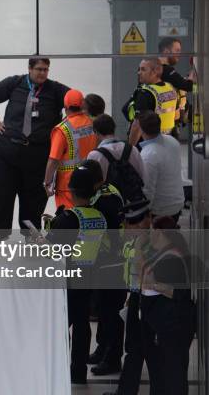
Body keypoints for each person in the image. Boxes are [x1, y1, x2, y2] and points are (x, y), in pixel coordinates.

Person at [0, 58, 70, 234]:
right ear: (29, 69)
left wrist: (63, 127)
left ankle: (30, 237)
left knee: (33, 201)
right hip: (8, 152)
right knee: (2, 197)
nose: (42, 73)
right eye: (39, 69)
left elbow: (77, 104)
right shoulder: (14, 83)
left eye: (46, 69)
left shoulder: (54, 89)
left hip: (37, 155)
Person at [46, 165, 108, 384]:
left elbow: (49, 250)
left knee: (62, 326)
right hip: (88, 278)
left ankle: (60, 369)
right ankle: (79, 372)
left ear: (71, 191)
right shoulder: (100, 217)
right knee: (82, 326)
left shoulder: (69, 219)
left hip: (67, 281)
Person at [139, 215, 195, 395]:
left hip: (173, 326)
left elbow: (178, 292)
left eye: (152, 231)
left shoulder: (172, 258)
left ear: (161, 233)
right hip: (170, 325)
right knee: (168, 371)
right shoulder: (167, 253)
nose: (150, 235)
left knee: (172, 374)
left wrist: (153, 285)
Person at [81, 160, 127, 376]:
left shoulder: (103, 202)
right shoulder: (108, 191)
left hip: (112, 263)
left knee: (111, 313)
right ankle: (102, 349)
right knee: (103, 309)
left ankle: (113, 358)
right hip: (107, 261)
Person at [102, 199, 152, 395]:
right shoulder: (135, 240)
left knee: (148, 352)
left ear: (144, 222)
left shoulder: (149, 242)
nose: (125, 228)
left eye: (130, 224)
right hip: (136, 298)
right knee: (133, 350)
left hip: (149, 302)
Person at [44, 89, 96, 209]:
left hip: (68, 186)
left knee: (69, 222)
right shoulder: (91, 123)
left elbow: (53, 160)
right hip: (89, 180)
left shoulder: (62, 129)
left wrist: (47, 183)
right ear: (82, 104)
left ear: (65, 106)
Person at [138, 111, 184, 223]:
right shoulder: (172, 141)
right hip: (177, 203)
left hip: (160, 211)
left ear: (141, 129)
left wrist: (143, 215)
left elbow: (148, 190)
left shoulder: (148, 155)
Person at [126, 58, 178, 145]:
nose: (139, 72)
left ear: (154, 72)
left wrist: (129, 149)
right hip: (168, 141)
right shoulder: (170, 88)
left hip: (149, 144)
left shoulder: (145, 93)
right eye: (139, 69)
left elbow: (137, 125)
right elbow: (176, 115)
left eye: (143, 69)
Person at [87, 114, 144, 183]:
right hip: (132, 193)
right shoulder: (132, 149)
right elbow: (142, 176)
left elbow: (91, 183)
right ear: (114, 128)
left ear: (96, 132)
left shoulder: (94, 155)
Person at [158, 37, 195, 129]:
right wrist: (192, 75)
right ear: (166, 51)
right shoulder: (166, 70)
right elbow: (189, 86)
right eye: (177, 50)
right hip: (164, 126)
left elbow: (177, 82)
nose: (179, 54)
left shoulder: (155, 68)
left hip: (162, 123)